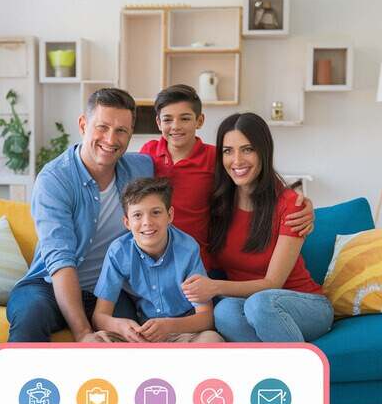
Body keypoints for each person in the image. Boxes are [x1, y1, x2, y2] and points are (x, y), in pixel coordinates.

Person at [6, 88, 153, 342]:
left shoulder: (140, 169)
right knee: (30, 315)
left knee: (131, 335)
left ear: (131, 134)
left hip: (108, 292)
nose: (110, 139)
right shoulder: (55, 179)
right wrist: (83, 333)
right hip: (48, 286)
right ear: (83, 124)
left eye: (121, 131)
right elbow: (60, 260)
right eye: (102, 127)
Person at [181, 112, 334, 343]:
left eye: (247, 149)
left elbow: (273, 284)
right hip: (251, 307)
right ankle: (264, 371)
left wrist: (213, 287)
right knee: (224, 312)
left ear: (263, 151)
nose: (237, 160)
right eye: (228, 151)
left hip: (303, 305)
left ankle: (296, 374)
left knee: (260, 303)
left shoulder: (290, 204)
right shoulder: (219, 204)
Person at [140, 84, 315, 267]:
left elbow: (255, 179)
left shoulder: (216, 158)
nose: (176, 126)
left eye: (185, 118)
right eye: (168, 119)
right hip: (155, 256)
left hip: (197, 261)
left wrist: (303, 205)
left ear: (199, 121)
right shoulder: (148, 153)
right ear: (158, 123)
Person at [92, 177, 222, 343]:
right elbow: (99, 316)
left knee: (212, 340)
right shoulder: (118, 252)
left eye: (156, 212)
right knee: (96, 341)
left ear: (170, 215)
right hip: (141, 332)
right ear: (127, 222)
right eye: (137, 215)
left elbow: (206, 317)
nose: (147, 222)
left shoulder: (187, 249)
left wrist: (169, 327)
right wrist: (121, 326)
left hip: (183, 330)